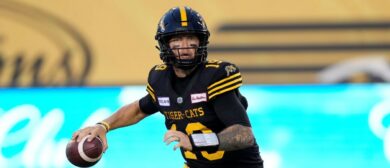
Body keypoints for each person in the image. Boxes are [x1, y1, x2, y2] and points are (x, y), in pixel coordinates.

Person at [72, 6, 264, 168]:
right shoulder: (160, 78)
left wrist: (196, 141)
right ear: (164, 44)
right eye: (176, 40)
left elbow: (244, 134)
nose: (185, 46)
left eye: (191, 38)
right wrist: (103, 126)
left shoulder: (214, 76)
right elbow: (139, 110)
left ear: (201, 42)